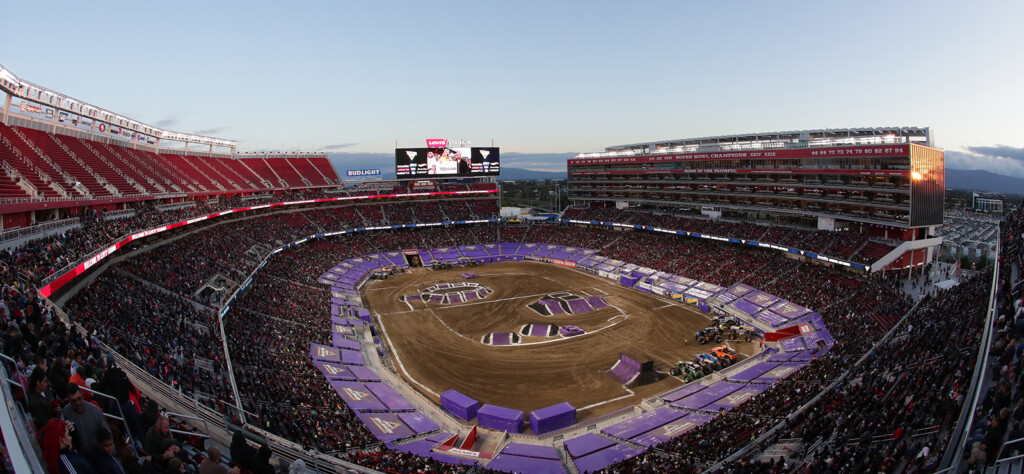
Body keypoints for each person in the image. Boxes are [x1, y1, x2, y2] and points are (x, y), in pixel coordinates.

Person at [62, 384, 109, 456]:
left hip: (99, 457)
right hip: (81, 457)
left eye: (79, 398)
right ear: (69, 400)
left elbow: (108, 435)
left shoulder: (96, 412)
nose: (78, 403)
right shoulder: (66, 412)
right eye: (73, 401)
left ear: (82, 395)